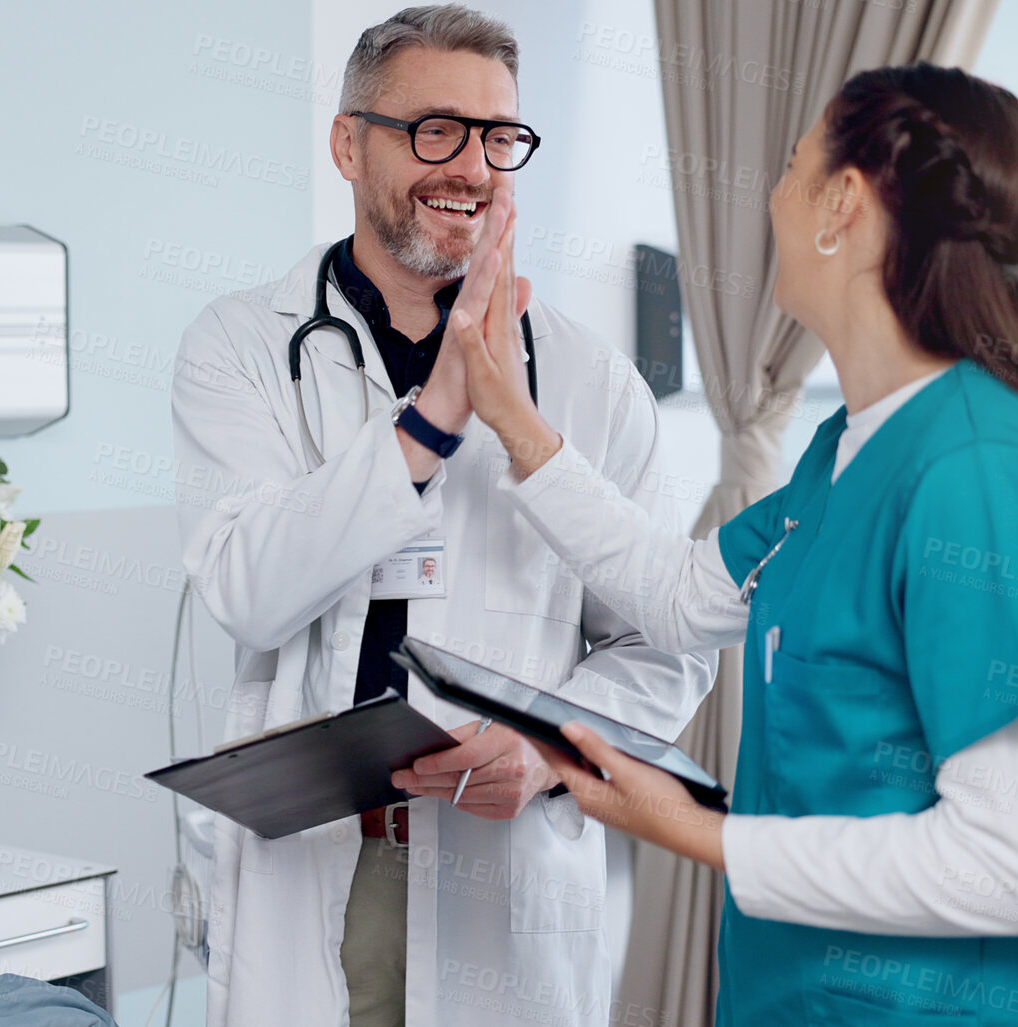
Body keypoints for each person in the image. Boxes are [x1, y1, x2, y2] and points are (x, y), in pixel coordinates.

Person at [452, 64, 1018, 1024]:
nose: (770, 196)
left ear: (841, 204)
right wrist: (511, 419)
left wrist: (696, 829)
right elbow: (681, 597)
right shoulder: (843, 453)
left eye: (791, 165)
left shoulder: (976, 475)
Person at [170, 7, 715, 1025]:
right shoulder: (242, 345)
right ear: (348, 141)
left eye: (496, 136)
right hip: (322, 862)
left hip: (497, 868)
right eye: (434, 129)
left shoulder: (593, 381)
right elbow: (248, 591)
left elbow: (669, 641)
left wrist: (553, 749)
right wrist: (437, 416)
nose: (469, 165)